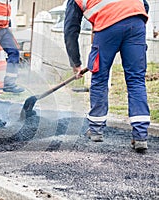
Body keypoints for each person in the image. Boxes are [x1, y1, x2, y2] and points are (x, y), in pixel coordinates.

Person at [64, 0, 150, 152]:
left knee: (99, 77)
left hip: (107, 26)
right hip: (136, 24)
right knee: (136, 80)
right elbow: (145, 5)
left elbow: (71, 30)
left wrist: (75, 63)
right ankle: (140, 135)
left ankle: (96, 129)